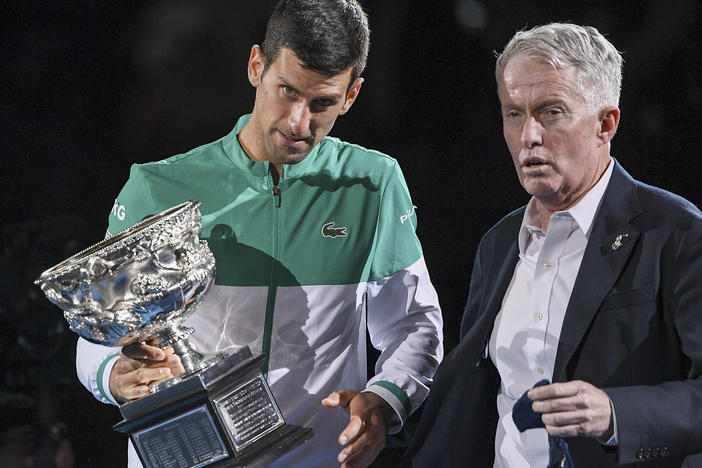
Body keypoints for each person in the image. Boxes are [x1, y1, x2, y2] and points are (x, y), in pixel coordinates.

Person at [74, 1, 444, 467]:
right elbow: (95, 337)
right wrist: (113, 374)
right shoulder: (156, 187)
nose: (297, 122)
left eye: (322, 102)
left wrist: (387, 399)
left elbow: (414, 324)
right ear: (256, 66)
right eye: (287, 90)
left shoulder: (375, 184)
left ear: (351, 96)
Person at [405, 23, 702, 467]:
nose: (529, 136)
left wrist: (615, 414)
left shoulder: (676, 233)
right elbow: (473, 397)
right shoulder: (498, 244)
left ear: (606, 123)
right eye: (513, 113)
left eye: (551, 112)